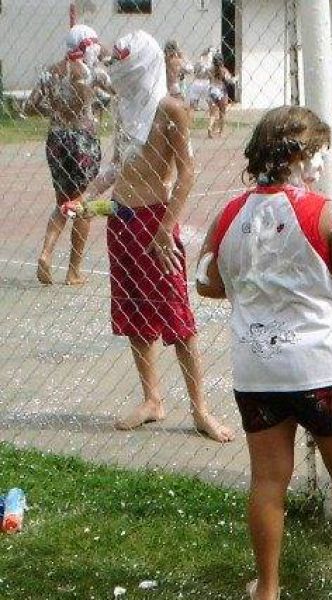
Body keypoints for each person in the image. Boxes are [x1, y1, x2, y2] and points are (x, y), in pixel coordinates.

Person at [195, 105, 332, 600]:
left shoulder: (229, 213)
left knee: (268, 479)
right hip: (321, 368)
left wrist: (256, 286)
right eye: (319, 153)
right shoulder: (325, 212)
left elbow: (206, 281)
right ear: (299, 156)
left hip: (257, 369)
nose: (321, 164)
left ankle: (268, 587)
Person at [80, 30, 233, 442]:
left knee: (177, 318)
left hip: (154, 223)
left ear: (144, 66)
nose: (120, 79)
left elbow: (186, 172)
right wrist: (87, 195)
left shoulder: (170, 109)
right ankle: (153, 398)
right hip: (121, 220)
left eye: (128, 70)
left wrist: (167, 227)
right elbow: (116, 166)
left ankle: (200, 409)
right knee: (133, 313)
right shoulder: (124, 106)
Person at [25, 24, 106, 286]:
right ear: (85, 45)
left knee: (62, 201)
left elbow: (31, 105)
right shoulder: (91, 73)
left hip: (57, 138)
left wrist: (56, 112)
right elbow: (115, 93)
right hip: (83, 140)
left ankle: (46, 254)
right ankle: (73, 271)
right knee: (82, 204)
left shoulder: (51, 72)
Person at [207, 52, 234, 138]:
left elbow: (209, 78)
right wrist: (234, 79)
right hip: (221, 91)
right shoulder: (224, 70)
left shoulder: (210, 69)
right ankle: (221, 132)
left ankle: (210, 127)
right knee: (222, 113)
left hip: (212, 90)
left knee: (212, 113)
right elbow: (229, 80)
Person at [187, 46, 213, 116]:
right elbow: (211, 75)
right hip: (206, 83)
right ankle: (211, 125)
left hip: (196, 83)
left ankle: (189, 123)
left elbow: (194, 72)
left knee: (192, 106)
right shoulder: (209, 63)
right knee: (211, 105)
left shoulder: (198, 62)